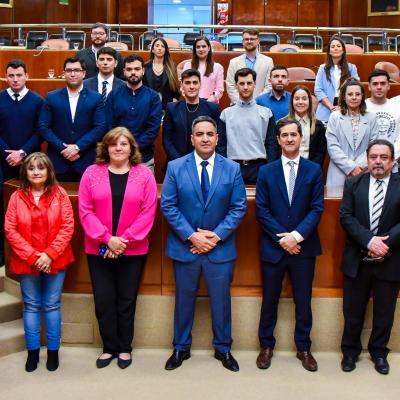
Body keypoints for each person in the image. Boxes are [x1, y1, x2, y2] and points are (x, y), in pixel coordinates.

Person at [161, 116, 247, 372]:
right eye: (200, 134)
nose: (206, 138)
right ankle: (180, 347)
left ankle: (223, 348)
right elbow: (168, 205)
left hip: (219, 249)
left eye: (210, 134)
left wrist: (215, 236)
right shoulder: (176, 167)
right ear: (192, 138)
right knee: (183, 301)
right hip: (185, 247)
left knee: (221, 302)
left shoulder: (231, 168)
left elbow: (238, 207)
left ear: (217, 138)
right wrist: (192, 236)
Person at [79, 127, 157, 369]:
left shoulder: (144, 175)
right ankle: (109, 347)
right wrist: (106, 238)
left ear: (131, 148)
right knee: (104, 301)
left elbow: (148, 211)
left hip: (132, 249)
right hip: (98, 248)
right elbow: (85, 210)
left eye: (124, 144)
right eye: (113, 144)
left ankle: (124, 348)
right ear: (106, 148)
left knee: (126, 300)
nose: (118, 148)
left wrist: (123, 240)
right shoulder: (91, 173)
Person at [255, 119, 324, 372]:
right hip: (274, 248)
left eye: (293, 134)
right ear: (278, 140)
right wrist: (282, 239)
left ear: (301, 137)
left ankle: (304, 348)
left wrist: (296, 236)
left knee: (303, 302)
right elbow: (261, 210)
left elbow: (317, 209)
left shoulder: (314, 170)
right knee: (269, 301)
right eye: (284, 135)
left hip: (303, 249)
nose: (289, 139)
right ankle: (266, 346)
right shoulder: (266, 171)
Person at [4, 152, 74, 372]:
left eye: (41, 168)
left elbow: (67, 227)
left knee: (52, 305)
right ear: (25, 171)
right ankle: (32, 353)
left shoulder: (60, 194)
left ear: (48, 171)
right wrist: (35, 257)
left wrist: (49, 254)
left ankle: (53, 352)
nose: (36, 172)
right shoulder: (17, 196)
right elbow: (10, 229)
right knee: (32, 305)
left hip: (56, 257)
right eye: (31, 168)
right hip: (27, 261)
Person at [339, 139, 400, 375]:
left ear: (392, 161)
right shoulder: (354, 183)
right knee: (353, 311)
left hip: (391, 258)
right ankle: (350, 352)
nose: (378, 161)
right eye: (374, 156)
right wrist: (369, 241)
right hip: (358, 259)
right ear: (367, 158)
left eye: (384, 157)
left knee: (384, 312)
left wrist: (385, 243)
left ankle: (379, 353)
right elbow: (346, 217)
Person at [0, 59, 44, 265]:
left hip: (30, 164)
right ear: (5, 77)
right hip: (3, 162)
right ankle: (4, 255)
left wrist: (22, 152)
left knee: (29, 209)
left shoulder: (37, 101)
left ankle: (29, 253)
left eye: (19, 75)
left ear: (26, 76)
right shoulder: (0, 98)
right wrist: (8, 153)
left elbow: (40, 131)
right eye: (11, 75)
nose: (15, 79)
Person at [38, 57, 107, 182]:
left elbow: (100, 127)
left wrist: (77, 147)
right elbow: (43, 127)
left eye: (76, 70)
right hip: (57, 161)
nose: (73, 74)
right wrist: (63, 148)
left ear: (84, 73)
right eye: (69, 70)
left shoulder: (96, 98)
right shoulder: (51, 97)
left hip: (85, 160)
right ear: (64, 73)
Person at [218, 68, 277, 184]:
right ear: (236, 85)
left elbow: (271, 144)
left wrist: (268, 168)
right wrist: (225, 167)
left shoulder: (266, 113)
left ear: (255, 84)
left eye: (249, 83)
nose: (245, 87)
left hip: (259, 167)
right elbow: (221, 146)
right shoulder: (226, 114)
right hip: (233, 167)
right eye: (241, 83)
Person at [107, 55, 162, 172]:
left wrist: (131, 147)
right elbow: (109, 125)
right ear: (124, 71)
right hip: (117, 157)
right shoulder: (113, 95)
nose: (133, 72)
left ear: (143, 70)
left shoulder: (153, 97)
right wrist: (121, 147)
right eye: (129, 69)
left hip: (144, 158)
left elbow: (153, 129)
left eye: (137, 69)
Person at [326, 78, 378, 190]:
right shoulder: (335, 117)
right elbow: (332, 146)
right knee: (336, 206)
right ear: (344, 97)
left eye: (357, 94)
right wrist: (350, 167)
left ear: (362, 96)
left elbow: (374, 145)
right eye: (350, 94)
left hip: (364, 170)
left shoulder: (371, 117)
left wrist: (359, 166)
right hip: (339, 171)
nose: (354, 97)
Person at [163, 69, 220, 163]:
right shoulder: (172, 108)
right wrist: (180, 162)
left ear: (200, 84)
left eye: (195, 82)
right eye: (187, 83)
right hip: (177, 163)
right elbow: (167, 140)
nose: (192, 86)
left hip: (204, 163)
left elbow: (217, 138)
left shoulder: (212, 108)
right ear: (182, 85)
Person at [315, 35, 359, 122]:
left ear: (343, 50)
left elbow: (356, 89)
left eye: (338, 46)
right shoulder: (322, 68)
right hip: (326, 109)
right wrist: (331, 107)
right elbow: (318, 90)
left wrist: (342, 107)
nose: (336, 48)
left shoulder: (351, 68)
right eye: (333, 46)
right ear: (329, 51)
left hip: (347, 108)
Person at [226, 29, 273, 104]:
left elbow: (269, 86)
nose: (249, 41)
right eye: (246, 39)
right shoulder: (233, 62)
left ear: (258, 41)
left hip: (260, 105)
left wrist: (257, 102)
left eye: (252, 39)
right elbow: (230, 86)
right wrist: (240, 102)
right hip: (238, 105)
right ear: (242, 42)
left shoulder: (268, 61)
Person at [284, 85, 327, 166]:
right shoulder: (283, 124)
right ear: (292, 101)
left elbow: (320, 152)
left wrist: (311, 169)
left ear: (309, 102)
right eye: (297, 99)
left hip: (311, 169)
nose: (300, 102)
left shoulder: (319, 125)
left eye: (304, 99)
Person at [366, 69, 400, 167]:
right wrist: (368, 161)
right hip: (366, 164)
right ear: (369, 86)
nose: (379, 87)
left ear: (388, 86)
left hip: (392, 163)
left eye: (383, 83)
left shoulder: (397, 107)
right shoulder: (362, 107)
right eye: (375, 84)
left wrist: (391, 158)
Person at [182, 36, 224, 103]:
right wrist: (193, 100)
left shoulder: (218, 67)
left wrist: (207, 102)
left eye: (203, 46)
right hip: (191, 103)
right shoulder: (188, 65)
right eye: (198, 47)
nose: (201, 49)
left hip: (210, 104)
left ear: (209, 48)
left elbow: (219, 90)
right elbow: (183, 87)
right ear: (195, 49)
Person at [143, 38, 180, 110]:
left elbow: (176, 89)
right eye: (157, 46)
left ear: (165, 50)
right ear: (152, 50)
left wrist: (174, 103)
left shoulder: (172, 66)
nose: (160, 48)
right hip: (148, 106)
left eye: (163, 46)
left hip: (167, 107)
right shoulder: (145, 66)